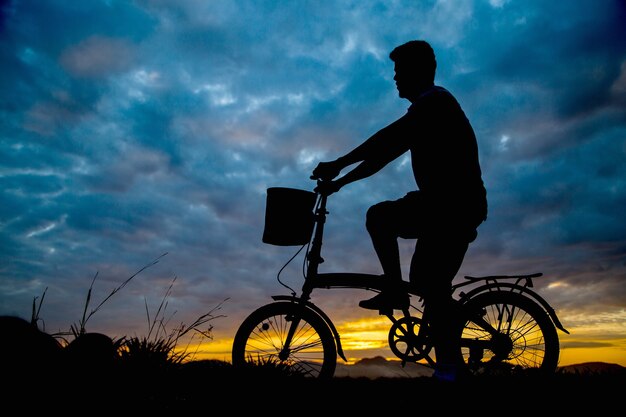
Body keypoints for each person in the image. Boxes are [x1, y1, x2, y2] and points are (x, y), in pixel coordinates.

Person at [311, 40, 488, 381]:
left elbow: (387, 139)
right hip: (445, 205)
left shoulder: (435, 103)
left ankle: (448, 362)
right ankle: (446, 355)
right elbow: (383, 156)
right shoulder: (425, 111)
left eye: (399, 71)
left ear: (417, 71)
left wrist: (338, 162)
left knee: (381, 219)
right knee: (427, 283)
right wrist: (340, 182)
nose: (394, 78)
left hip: (454, 206)